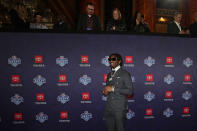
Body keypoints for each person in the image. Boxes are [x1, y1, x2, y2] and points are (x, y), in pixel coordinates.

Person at [103, 53, 133, 131]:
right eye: (110, 59)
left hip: (119, 108)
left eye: (113, 59)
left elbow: (130, 91)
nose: (111, 61)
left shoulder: (125, 74)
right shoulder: (109, 74)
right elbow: (108, 88)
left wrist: (113, 89)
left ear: (119, 61)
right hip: (109, 107)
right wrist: (106, 91)